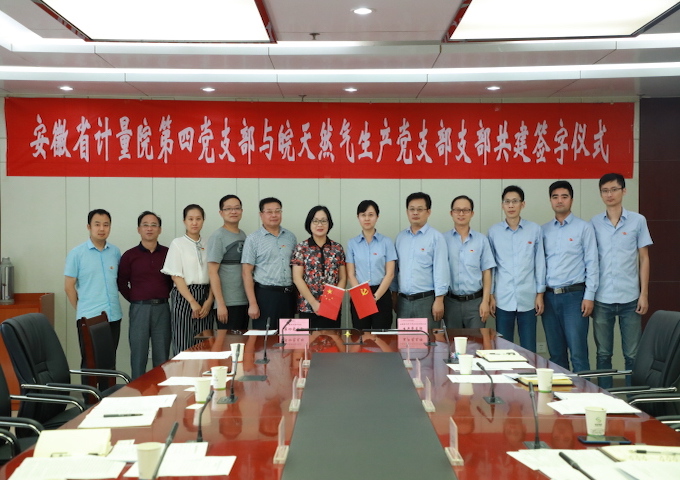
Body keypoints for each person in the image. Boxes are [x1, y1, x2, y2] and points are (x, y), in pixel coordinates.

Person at [590, 173, 652, 388]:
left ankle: (633, 400)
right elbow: (590, 260)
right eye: (605, 191)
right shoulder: (594, 223)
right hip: (602, 298)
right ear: (601, 194)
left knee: (633, 354)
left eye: (614, 189)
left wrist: (644, 294)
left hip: (630, 298)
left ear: (624, 191)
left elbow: (644, 258)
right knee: (603, 354)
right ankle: (605, 398)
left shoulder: (638, 220)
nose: (610, 194)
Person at [542, 180, 598, 373]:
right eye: (555, 197)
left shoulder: (584, 228)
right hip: (549, 297)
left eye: (564, 196)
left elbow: (592, 263)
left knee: (578, 354)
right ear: (550, 200)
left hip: (575, 297)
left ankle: (584, 392)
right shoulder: (543, 230)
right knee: (556, 355)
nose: (560, 201)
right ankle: (561, 392)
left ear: (571, 200)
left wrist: (589, 296)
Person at [487, 186, 546, 351]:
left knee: (529, 349)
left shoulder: (534, 230)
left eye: (515, 201)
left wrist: (540, 295)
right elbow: (491, 267)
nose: (511, 205)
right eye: (507, 202)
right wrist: (491, 295)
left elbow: (540, 263)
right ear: (502, 205)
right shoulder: (493, 232)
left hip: (528, 298)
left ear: (523, 204)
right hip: (502, 298)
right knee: (503, 349)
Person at [117, 211, 173, 379]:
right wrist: (136, 298)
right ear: (139, 229)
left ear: (160, 229)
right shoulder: (129, 255)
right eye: (145, 225)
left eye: (154, 225)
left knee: (162, 356)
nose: (149, 229)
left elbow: (172, 280)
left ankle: (161, 390)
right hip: (139, 309)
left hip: (162, 308)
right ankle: (137, 391)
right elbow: (121, 282)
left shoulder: (168, 253)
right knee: (138, 355)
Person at [64, 209, 123, 366]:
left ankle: (108, 385)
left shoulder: (115, 252)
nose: (102, 228)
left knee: (109, 362)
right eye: (97, 224)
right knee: (90, 364)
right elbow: (69, 287)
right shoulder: (76, 254)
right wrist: (82, 308)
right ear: (89, 227)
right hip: (89, 317)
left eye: (106, 225)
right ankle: (89, 386)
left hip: (113, 316)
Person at [161, 204, 215, 354]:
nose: (194, 222)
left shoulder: (209, 243)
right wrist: (192, 302)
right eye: (190, 219)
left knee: (205, 344)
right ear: (184, 221)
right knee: (183, 343)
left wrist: (210, 300)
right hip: (184, 295)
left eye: (198, 219)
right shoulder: (177, 244)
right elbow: (176, 276)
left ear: (203, 220)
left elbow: (214, 274)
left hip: (206, 295)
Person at [394, 192, 448, 330]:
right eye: (411, 209)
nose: (415, 213)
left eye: (420, 209)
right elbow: (396, 270)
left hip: (426, 301)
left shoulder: (436, 237)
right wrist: (394, 296)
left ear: (428, 212)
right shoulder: (401, 238)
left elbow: (441, 270)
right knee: (404, 341)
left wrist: (439, 300)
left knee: (429, 341)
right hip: (403, 301)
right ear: (407, 211)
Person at [242, 197, 297, 330]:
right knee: (265, 338)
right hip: (265, 296)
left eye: (277, 211)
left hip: (288, 295)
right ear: (261, 215)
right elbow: (246, 272)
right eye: (269, 212)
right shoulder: (253, 239)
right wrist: (253, 303)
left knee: (288, 337)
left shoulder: (290, 237)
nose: (274, 215)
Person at [444, 195, 495, 329]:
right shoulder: (443, 240)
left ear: (472, 213)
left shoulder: (481, 240)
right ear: (451, 213)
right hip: (450, 302)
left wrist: (485, 301)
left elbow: (487, 272)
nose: (461, 214)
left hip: (475, 302)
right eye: (457, 210)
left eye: (466, 210)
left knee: (476, 340)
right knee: (452, 340)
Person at [291, 206, 347, 328]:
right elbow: (297, 278)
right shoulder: (301, 248)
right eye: (315, 221)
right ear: (309, 224)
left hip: (332, 307)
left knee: (332, 339)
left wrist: (333, 301)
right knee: (309, 340)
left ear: (329, 223)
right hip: (308, 307)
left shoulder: (337, 248)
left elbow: (343, 278)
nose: (320, 225)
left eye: (323, 221)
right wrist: (314, 303)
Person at [346, 200, 397, 329]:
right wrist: (361, 296)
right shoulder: (352, 243)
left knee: (381, 336)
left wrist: (375, 297)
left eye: (371, 215)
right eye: (363, 215)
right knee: (361, 335)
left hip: (381, 293)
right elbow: (351, 274)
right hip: (360, 294)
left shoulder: (386, 242)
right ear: (358, 217)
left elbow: (390, 274)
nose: (367, 218)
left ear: (377, 217)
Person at [207, 195, 249, 345]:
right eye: (228, 209)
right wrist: (220, 304)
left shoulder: (243, 235)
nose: (233, 211)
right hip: (227, 303)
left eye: (237, 208)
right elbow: (212, 272)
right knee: (229, 347)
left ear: (242, 211)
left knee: (241, 346)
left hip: (243, 300)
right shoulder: (218, 236)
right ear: (221, 212)